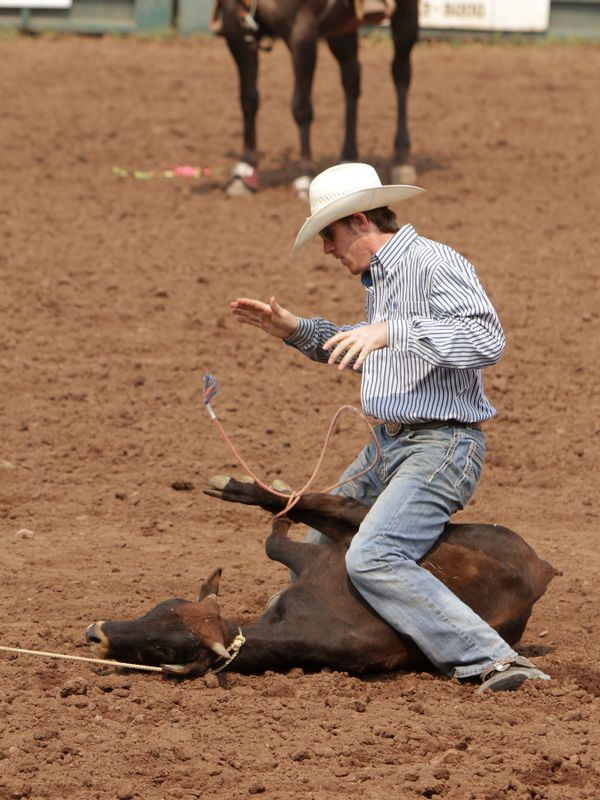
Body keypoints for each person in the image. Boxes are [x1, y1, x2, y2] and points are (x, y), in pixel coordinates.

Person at [230, 162, 550, 694]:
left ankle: (494, 660)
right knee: (316, 537)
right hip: (391, 444)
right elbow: (366, 344)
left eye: (329, 236)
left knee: (374, 554)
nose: (328, 250)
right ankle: (298, 631)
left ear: (357, 221)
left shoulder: (432, 261)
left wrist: (391, 331)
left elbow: (486, 338)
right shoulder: (383, 279)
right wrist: (297, 331)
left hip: (443, 444)